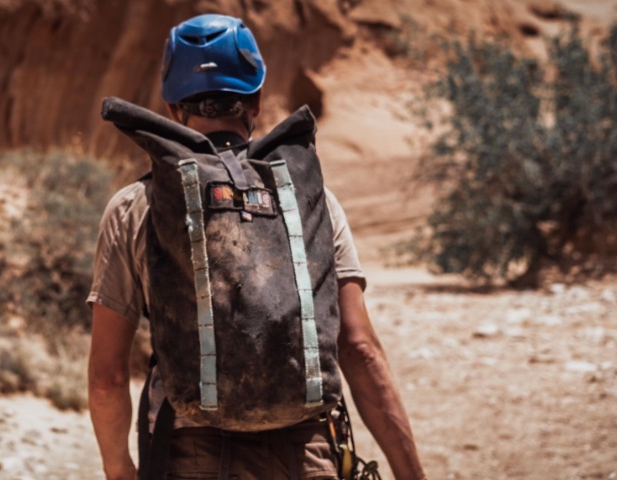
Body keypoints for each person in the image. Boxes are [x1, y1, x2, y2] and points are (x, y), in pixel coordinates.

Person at [87, 13, 427, 480]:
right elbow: (360, 347)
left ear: (171, 108)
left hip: (189, 457)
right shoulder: (311, 202)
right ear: (257, 102)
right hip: (306, 455)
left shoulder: (134, 207)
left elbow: (106, 378)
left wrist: (119, 469)